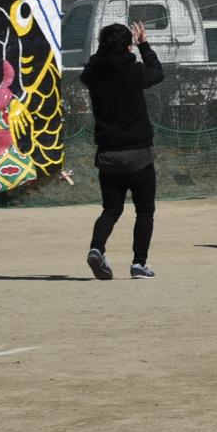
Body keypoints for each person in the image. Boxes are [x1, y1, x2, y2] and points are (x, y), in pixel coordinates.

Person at [80, 21, 164, 279]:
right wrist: (144, 45)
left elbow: (89, 70)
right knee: (145, 211)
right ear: (128, 47)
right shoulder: (134, 70)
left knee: (111, 209)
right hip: (139, 152)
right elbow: (157, 73)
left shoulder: (94, 73)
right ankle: (139, 263)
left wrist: (104, 49)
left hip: (109, 154)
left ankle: (97, 248)